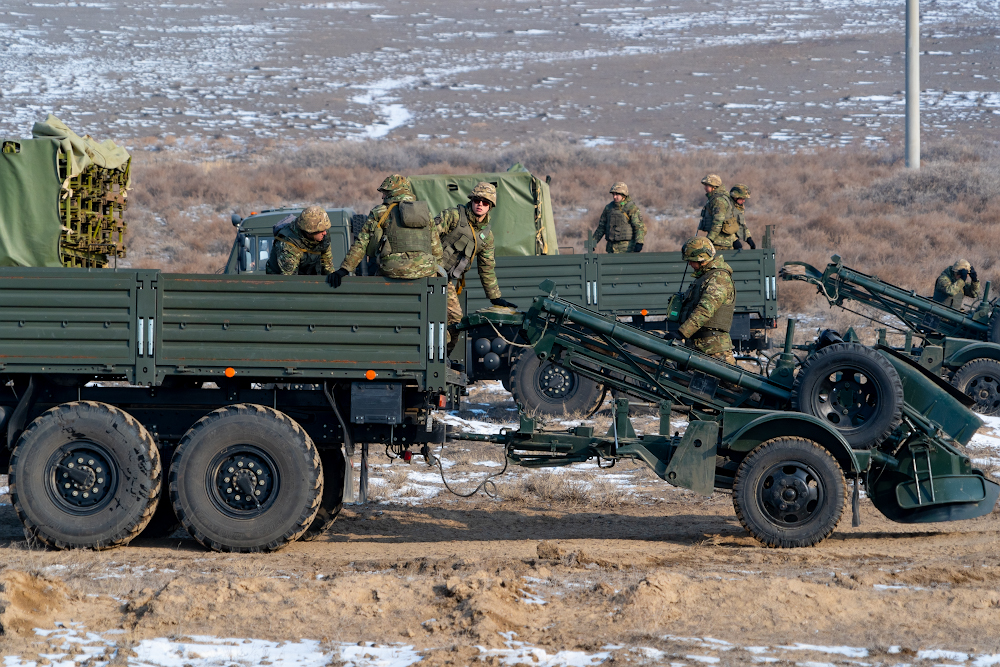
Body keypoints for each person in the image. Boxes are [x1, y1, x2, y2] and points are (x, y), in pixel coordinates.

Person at [435, 182, 516, 353]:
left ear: (490, 207)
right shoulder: (454, 216)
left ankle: (443, 359)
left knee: (456, 320)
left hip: (444, 281)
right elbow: (429, 236)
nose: (480, 204)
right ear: (471, 200)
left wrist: (495, 298)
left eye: (485, 202)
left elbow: (486, 268)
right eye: (477, 200)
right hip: (428, 272)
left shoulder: (486, 237)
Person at [330, 174, 441, 286]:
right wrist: (439, 272)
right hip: (426, 270)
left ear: (394, 192)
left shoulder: (380, 212)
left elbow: (361, 244)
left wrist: (344, 270)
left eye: (385, 192)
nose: (382, 196)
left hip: (393, 271)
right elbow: (436, 247)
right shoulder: (425, 213)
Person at [664, 237, 737, 365]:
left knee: (727, 385)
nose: (689, 264)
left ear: (702, 258)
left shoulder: (718, 278)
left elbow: (705, 310)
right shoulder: (703, 278)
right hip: (698, 346)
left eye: (691, 261)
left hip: (713, 349)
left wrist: (682, 332)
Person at [265, 206, 334, 275]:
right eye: (321, 231)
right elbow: (290, 279)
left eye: (325, 229)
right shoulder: (289, 244)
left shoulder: (323, 235)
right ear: (309, 232)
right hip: (280, 279)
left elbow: (327, 263)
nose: (325, 233)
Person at [592, 182, 645, 253]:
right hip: (611, 249)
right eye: (613, 194)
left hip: (627, 249)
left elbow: (638, 227)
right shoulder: (609, 208)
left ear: (624, 195)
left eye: (617, 194)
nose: (614, 197)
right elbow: (601, 228)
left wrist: (639, 242)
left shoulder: (631, 208)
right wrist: (592, 242)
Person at [696, 174, 739, 250]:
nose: (705, 188)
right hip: (718, 241)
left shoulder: (719, 201)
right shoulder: (714, 199)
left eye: (707, 185)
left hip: (720, 243)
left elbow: (718, 222)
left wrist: (709, 240)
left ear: (714, 187)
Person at [728, 184, 756, 250]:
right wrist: (734, 240)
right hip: (724, 241)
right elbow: (725, 227)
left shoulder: (739, 207)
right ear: (735, 197)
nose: (744, 201)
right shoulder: (727, 206)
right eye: (742, 198)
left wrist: (748, 238)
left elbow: (742, 225)